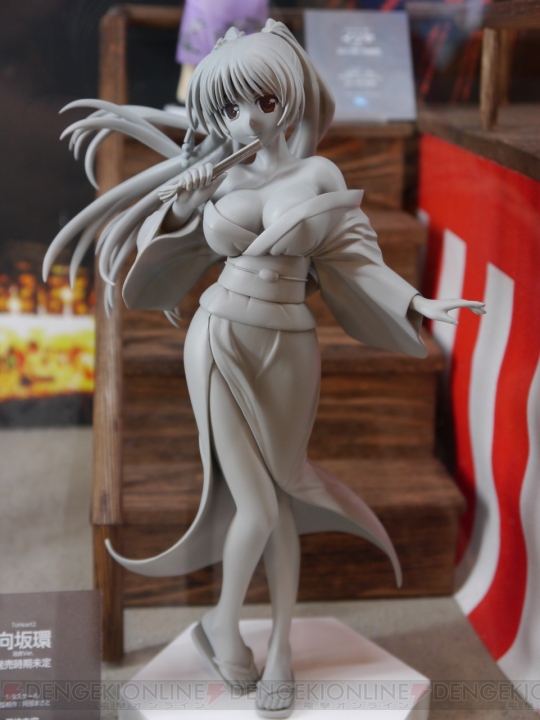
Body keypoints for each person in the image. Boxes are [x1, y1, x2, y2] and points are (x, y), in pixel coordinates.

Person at [44, 20, 485, 719]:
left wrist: (418, 302)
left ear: (291, 96)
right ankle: (224, 624)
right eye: (229, 107)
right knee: (257, 502)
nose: (247, 120)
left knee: (285, 492)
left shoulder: (319, 174)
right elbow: (167, 249)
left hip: (291, 344)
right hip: (220, 334)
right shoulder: (218, 174)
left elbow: (355, 254)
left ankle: (277, 646)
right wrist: (187, 195)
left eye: (264, 101)